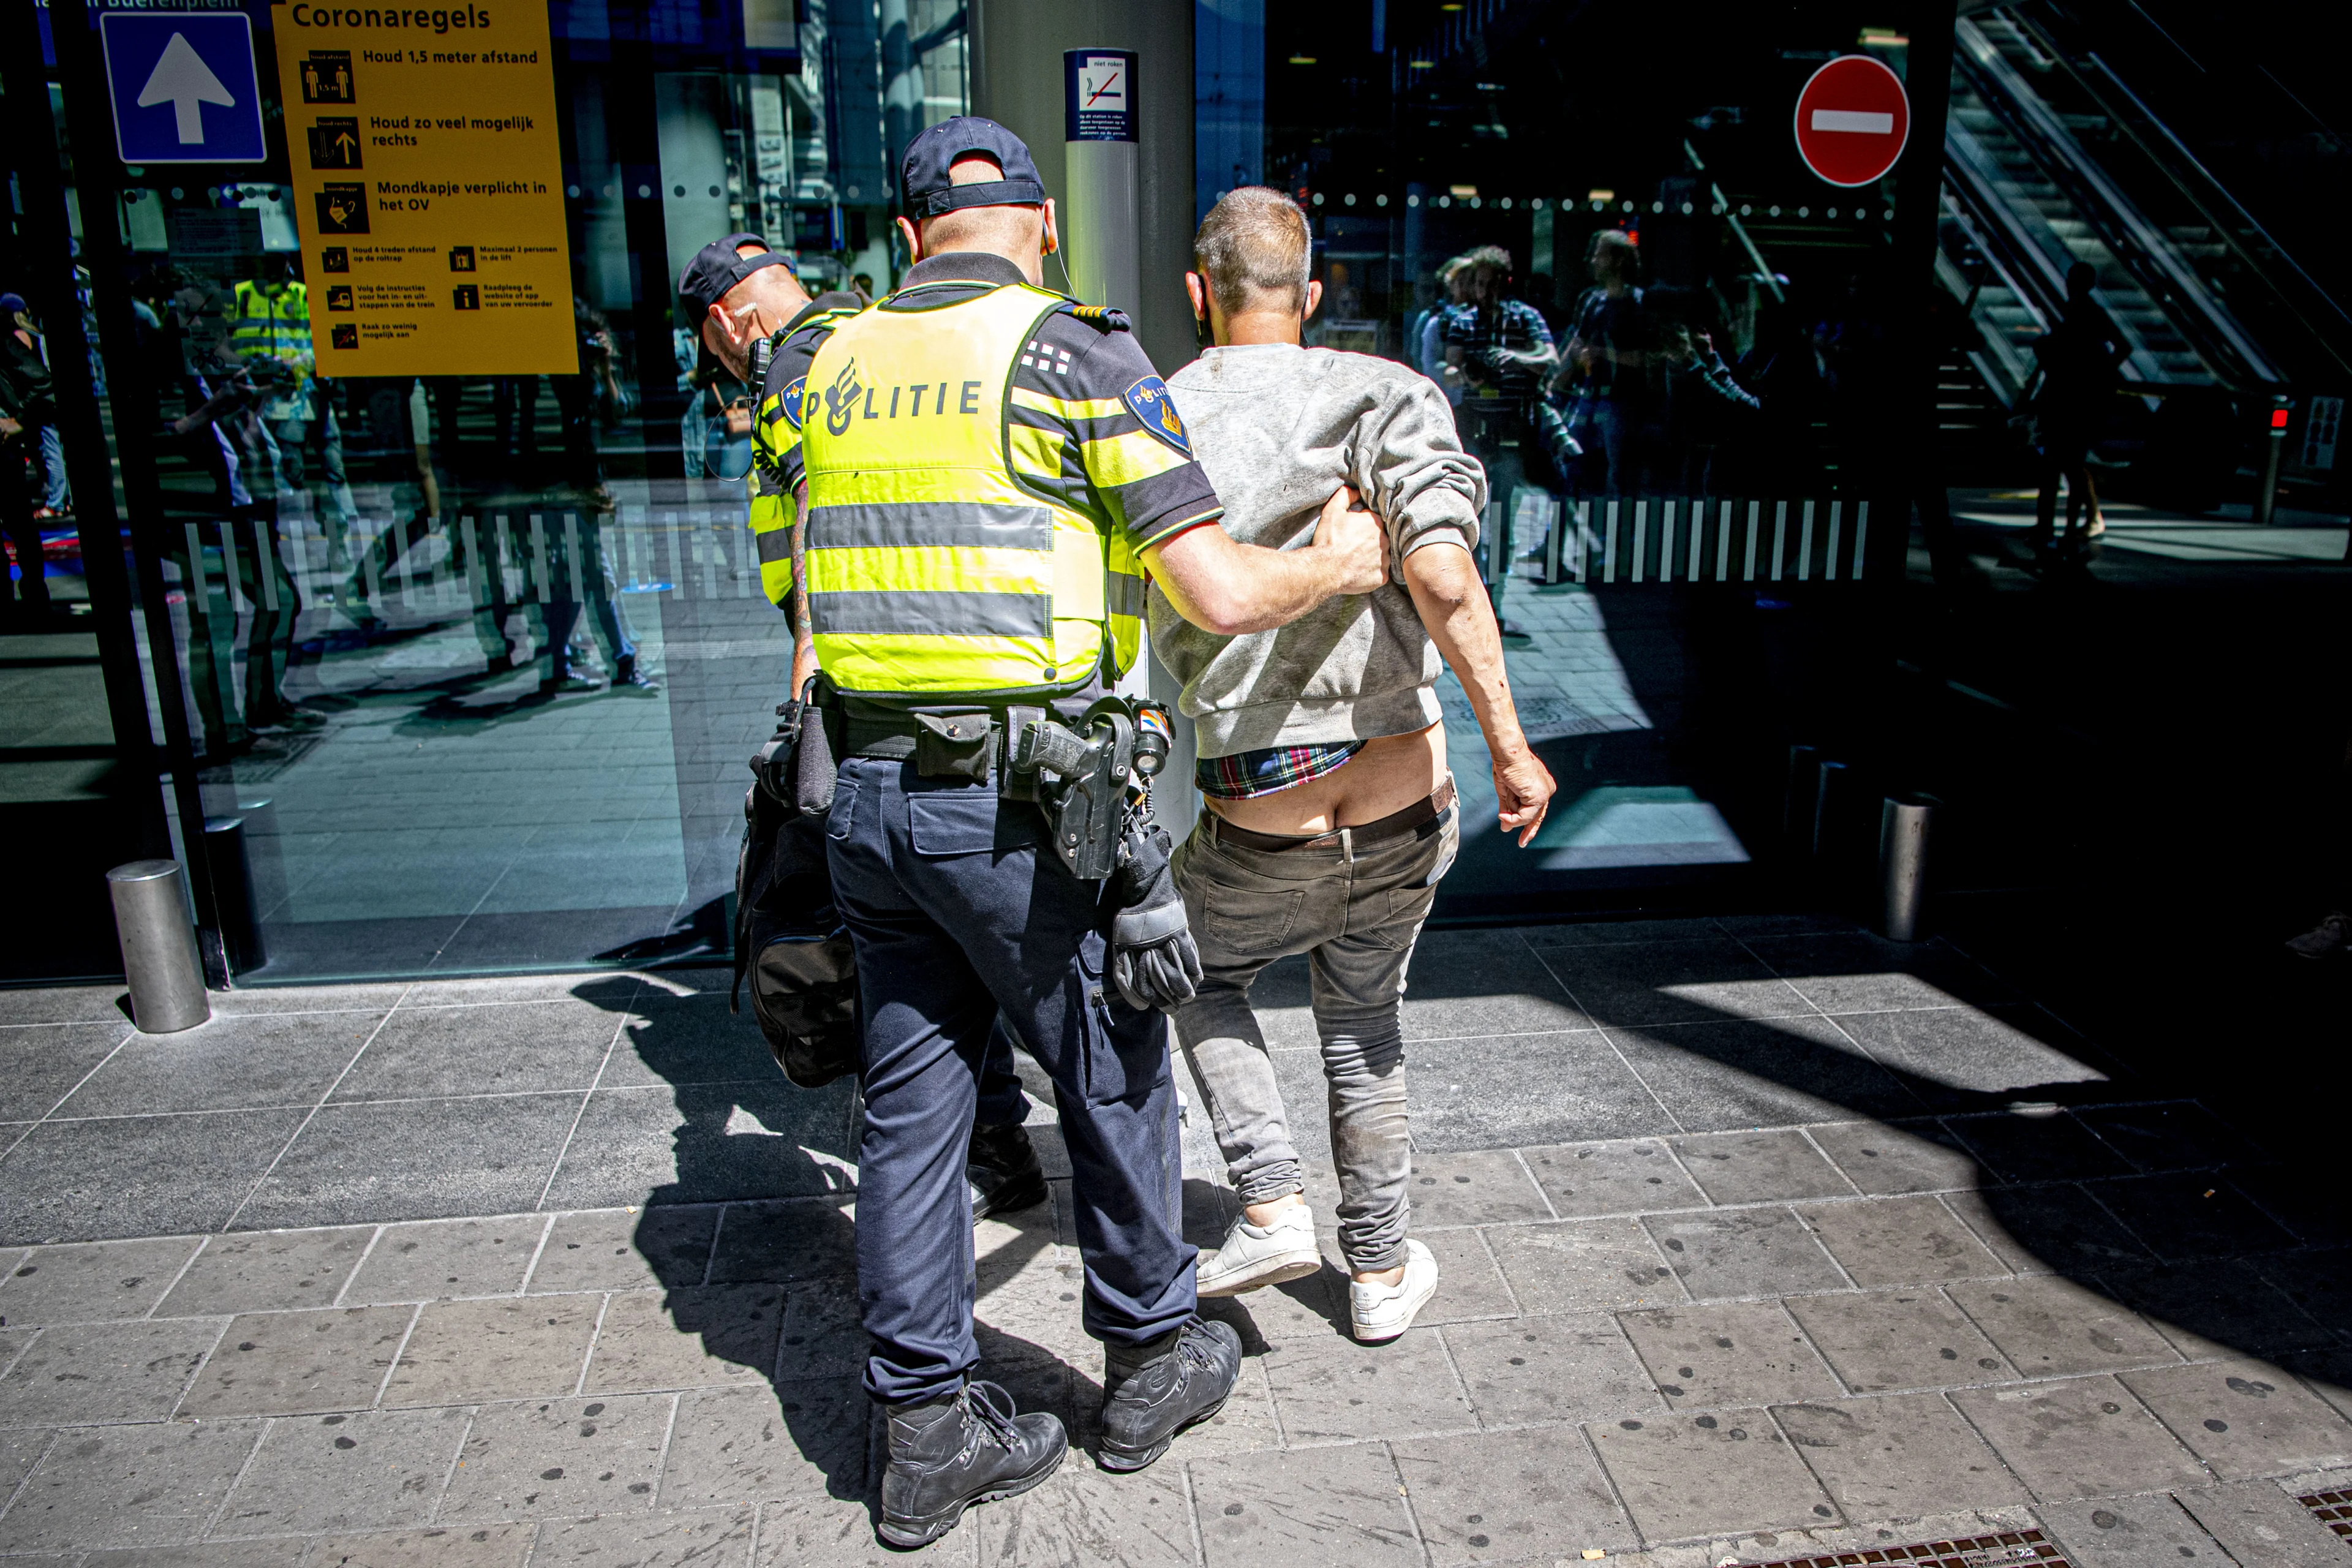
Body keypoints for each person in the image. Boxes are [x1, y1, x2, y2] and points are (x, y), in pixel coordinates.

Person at [785, 118, 1388, 1546]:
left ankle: (923, 1423)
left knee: (915, 1105)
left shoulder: (834, 361)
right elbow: (1218, 589)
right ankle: (1147, 1356)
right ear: (1042, 227)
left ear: (908, 228)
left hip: (867, 798)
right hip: (1018, 809)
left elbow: (810, 596)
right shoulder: (1071, 354)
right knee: (1114, 1068)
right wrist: (1339, 560)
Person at [1162, 187, 1557, 1341]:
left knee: (1194, 976)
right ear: (1314, 294)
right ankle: (1378, 1277)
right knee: (1365, 1024)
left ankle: (1272, 1199)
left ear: (1200, 295)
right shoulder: (1390, 394)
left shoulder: (1157, 414)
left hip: (1261, 815)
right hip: (1402, 799)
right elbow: (1443, 577)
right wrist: (1512, 750)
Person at [682, 229, 1044, 1216]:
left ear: (725, 321)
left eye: (710, 349)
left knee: (901, 934)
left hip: (854, 682)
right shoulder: (869, 336)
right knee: (942, 924)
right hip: (926, 668)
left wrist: (807, 650)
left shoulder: (800, 364)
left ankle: (979, 1148)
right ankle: (1000, 1144)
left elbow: (818, 499)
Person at [2024, 261, 2126, 568]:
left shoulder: (2078, 314)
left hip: (2065, 401)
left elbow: (2057, 358)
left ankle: (2051, 527)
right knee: (2069, 466)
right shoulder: (2089, 316)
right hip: (2081, 404)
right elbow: (2122, 347)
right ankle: (2067, 528)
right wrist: (2101, 375)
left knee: (2054, 468)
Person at [1555, 228, 1648, 496]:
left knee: (1617, 474)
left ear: (1618, 260)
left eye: (1600, 255)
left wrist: (1599, 352)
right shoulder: (1590, 300)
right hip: (1587, 398)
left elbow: (1643, 358)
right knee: (1570, 463)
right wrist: (1558, 377)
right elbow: (1576, 341)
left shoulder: (1637, 303)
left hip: (1621, 401)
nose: (1593, 261)